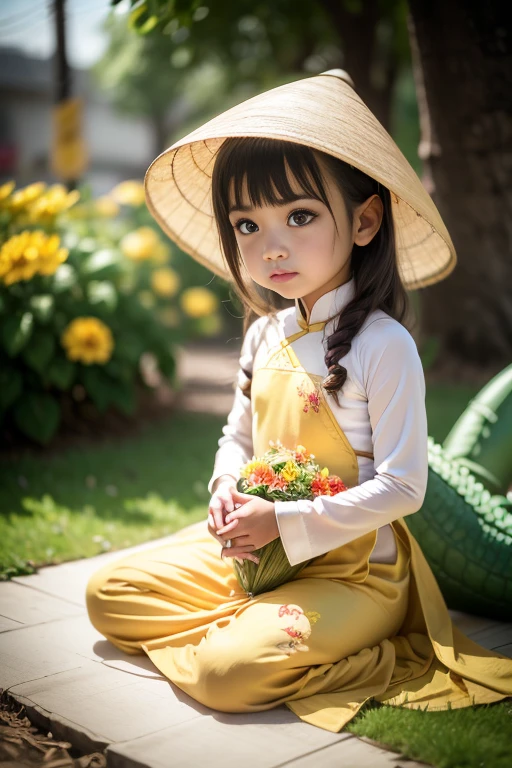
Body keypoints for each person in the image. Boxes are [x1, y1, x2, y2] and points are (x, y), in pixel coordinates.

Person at [86, 70, 512, 733]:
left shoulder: (383, 344)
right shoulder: (264, 333)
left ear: (366, 220)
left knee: (228, 676)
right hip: (256, 556)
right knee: (107, 596)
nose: (271, 245)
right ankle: (256, 624)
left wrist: (285, 523)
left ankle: (344, 644)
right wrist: (226, 487)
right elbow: (237, 434)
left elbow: (404, 486)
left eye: (301, 215)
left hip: (353, 576)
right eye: (247, 224)